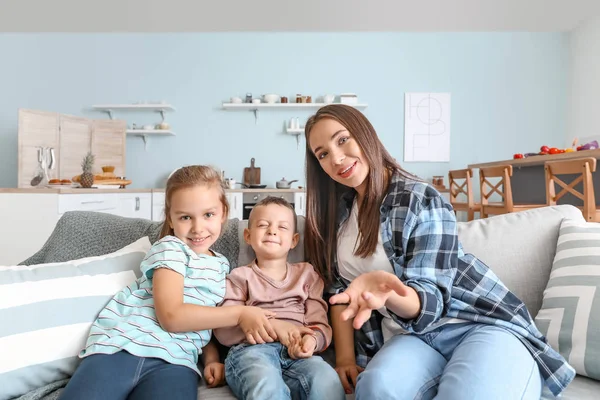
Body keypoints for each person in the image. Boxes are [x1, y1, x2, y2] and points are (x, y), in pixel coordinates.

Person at [302, 104, 575, 399]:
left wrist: (388, 293)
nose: (337, 158)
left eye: (342, 140)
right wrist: (344, 359)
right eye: (323, 154)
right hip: (411, 338)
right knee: (375, 388)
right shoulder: (339, 217)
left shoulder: (418, 197)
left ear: (365, 134)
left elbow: (429, 302)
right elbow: (339, 292)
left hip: (475, 322)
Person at [60, 165, 277, 400]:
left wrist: (211, 359)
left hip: (177, 363)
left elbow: (202, 319)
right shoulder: (170, 248)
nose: (197, 228)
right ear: (171, 219)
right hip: (122, 348)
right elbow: (172, 316)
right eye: (185, 217)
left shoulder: (221, 265)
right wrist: (240, 314)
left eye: (208, 215)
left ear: (223, 212)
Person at [214, 196, 345, 400]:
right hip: (251, 352)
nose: (272, 231)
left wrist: (311, 340)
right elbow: (223, 331)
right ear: (247, 236)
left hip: (299, 353)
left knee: (325, 380)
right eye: (263, 225)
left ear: (294, 240)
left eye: (282, 227)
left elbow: (320, 324)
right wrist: (273, 326)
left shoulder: (308, 275)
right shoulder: (239, 277)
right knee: (265, 383)